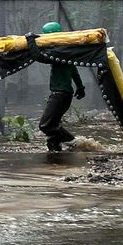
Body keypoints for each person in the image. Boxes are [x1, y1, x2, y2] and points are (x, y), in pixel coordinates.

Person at [38, 21, 86, 151]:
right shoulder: (66, 51)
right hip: (65, 95)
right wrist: (80, 87)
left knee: (45, 125)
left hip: (59, 94)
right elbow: (74, 70)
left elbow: (39, 56)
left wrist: (31, 41)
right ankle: (56, 154)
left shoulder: (58, 53)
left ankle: (74, 142)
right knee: (53, 127)